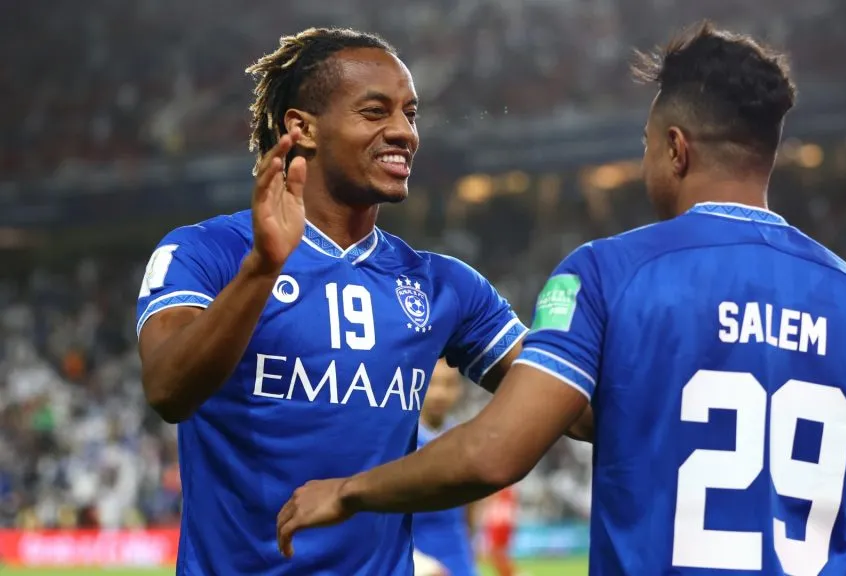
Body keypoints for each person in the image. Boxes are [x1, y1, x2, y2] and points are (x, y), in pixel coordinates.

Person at [275, 22, 846, 574]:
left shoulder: (608, 273)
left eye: (644, 145)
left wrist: (348, 491)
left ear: (675, 149)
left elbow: (493, 453)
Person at [135, 27, 542, 575]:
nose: (404, 133)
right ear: (301, 128)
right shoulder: (207, 252)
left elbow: (570, 404)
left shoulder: (446, 285)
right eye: (375, 112)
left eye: (411, 114)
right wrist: (262, 269)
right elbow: (167, 391)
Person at [412, 361, 479, 576]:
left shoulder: (464, 437)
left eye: (449, 384)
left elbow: (471, 507)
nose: (440, 393)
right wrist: (419, 562)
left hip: (458, 558)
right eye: (433, 384)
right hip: (417, 558)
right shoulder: (402, 440)